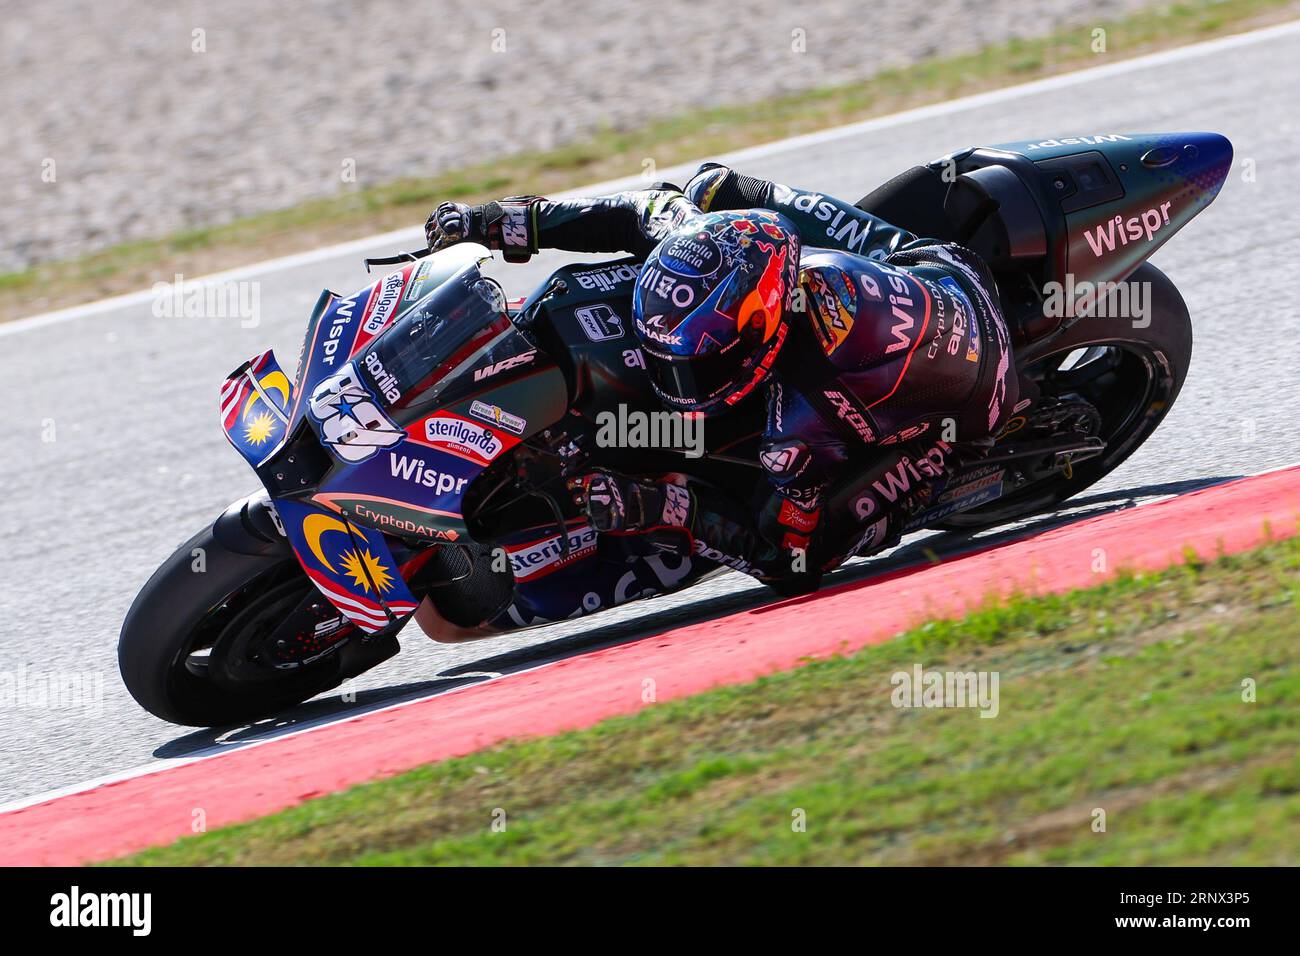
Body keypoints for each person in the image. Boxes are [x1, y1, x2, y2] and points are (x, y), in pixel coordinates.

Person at [424, 163, 1016, 592]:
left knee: (794, 526)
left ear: (759, 333)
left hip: (970, 401)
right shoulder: (716, 247)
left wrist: (661, 504)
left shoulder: (800, 427)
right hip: (931, 267)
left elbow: (790, 558)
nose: (673, 379)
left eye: (690, 367)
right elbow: (637, 211)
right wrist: (502, 222)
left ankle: (954, 468)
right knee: (713, 187)